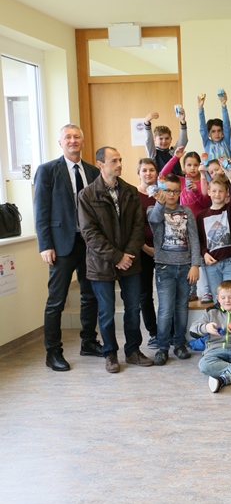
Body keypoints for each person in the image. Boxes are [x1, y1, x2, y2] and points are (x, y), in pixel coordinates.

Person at [78, 146, 152, 373]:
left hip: (130, 261)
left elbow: (139, 227)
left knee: (132, 308)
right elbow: (89, 233)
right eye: (114, 161)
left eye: (120, 160)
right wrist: (117, 256)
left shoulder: (130, 191)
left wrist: (127, 255)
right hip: (102, 263)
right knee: (106, 311)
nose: (119, 164)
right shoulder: (87, 195)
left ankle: (133, 351)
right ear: (100, 164)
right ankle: (110, 353)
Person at [34, 124, 102, 371]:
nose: (73, 141)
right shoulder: (47, 170)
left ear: (82, 142)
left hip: (89, 245)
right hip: (61, 246)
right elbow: (40, 210)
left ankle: (88, 342)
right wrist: (45, 244)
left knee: (90, 296)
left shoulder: (94, 172)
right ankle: (53, 353)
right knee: (56, 302)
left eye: (77, 137)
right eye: (68, 137)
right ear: (60, 142)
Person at [148, 174, 202, 366]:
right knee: (165, 309)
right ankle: (163, 347)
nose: (171, 194)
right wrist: (159, 203)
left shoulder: (186, 211)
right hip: (164, 267)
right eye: (167, 190)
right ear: (161, 191)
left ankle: (179, 344)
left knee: (181, 307)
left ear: (180, 191)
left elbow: (194, 239)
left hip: (185, 266)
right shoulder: (154, 210)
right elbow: (154, 221)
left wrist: (195, 265)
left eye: (175, 191)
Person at [196, 168, 231, 297]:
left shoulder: (230, 210)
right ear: (208, 192)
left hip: (230, 262)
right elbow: (199, 239)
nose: (217, 194)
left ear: (227, 193)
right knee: (218, 300)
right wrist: (204, 254)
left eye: (221, 191)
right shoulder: (201, 215)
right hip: (212, 264)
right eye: (214, 191)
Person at [135, 158, 159, 348]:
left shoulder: (163, 194)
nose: (148, 173)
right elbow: (131, 225)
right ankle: (153, 332)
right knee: (145, 294)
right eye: (144, 170)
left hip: (165, 250)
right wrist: (145, 247)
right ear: (139, 173)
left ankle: (170, 330)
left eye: (151, 170)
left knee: (167, 293)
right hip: (143, 250)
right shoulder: (133, 195)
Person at [143, 109, 188, 175]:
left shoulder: (174, 152)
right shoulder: (153, 154)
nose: (164, 141)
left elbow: (183, 140)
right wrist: (147, 123)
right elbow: (148, 141)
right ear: (155, 140)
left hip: (177, 183)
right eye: (160, 139)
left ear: (171, 139)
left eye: (167, 138)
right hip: (161, 184)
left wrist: (183, 121)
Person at [198, 91, 231, 161]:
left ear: (223, 132)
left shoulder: (226, 141)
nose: (217, 134)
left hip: (226, 172)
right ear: (209, 134)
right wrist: (200, 108)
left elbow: (226, 125)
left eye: (219, 130)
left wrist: (223, 105)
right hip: (211, 172)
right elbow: (203, 129)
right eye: (213, 131)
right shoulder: (207, 143)